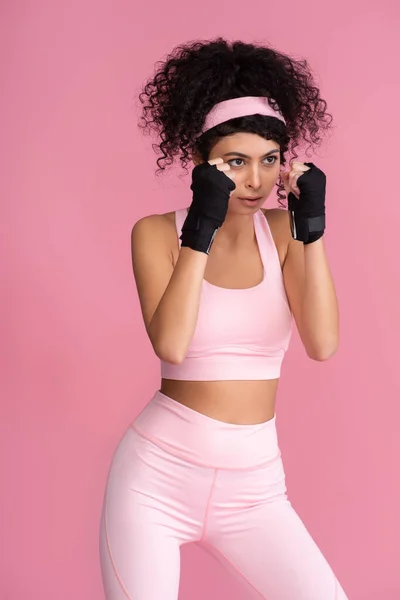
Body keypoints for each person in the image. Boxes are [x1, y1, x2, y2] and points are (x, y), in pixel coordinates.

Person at [99, 37, 349, 599]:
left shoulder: (284, 235)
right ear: (199, 164)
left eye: (268, 161)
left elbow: (323, 343)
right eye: (235, 162)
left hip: (256, 487)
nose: (255, 181)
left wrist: (312, 228)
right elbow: (172, 344)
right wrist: (201, 228)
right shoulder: (156, 233)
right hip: (155, 482)